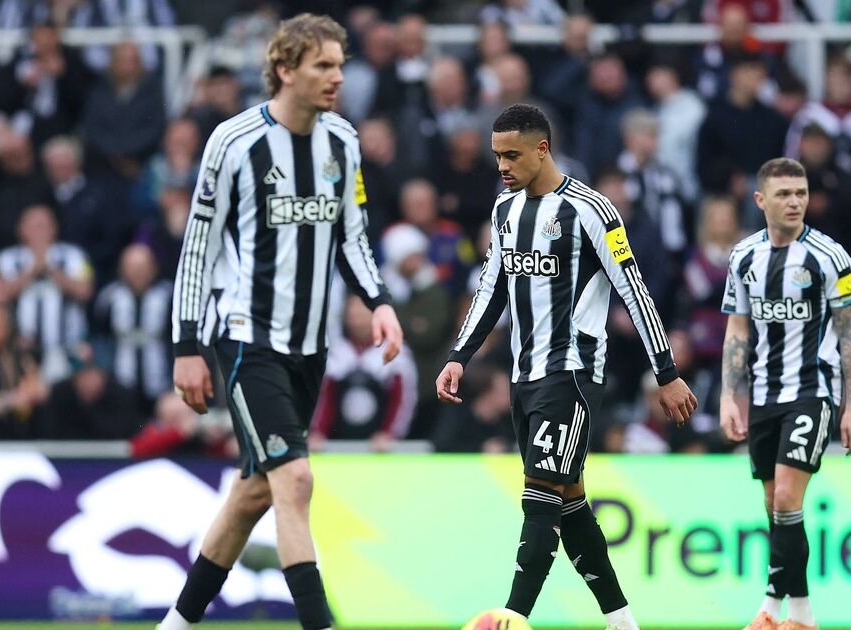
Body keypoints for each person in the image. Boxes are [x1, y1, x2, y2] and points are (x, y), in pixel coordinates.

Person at [161, 14, 403, 630]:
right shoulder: (234, 142)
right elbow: (197, 249)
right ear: (285, 69)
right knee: (293, 480)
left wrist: (379, 301)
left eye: (340, 65)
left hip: (310, 344)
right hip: (247, 337)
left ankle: (174, 625)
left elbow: (352, 235)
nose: (337, 77)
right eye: (323, 65)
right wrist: (187, 345)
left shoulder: (342, 141)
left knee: (254, 492)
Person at [435, 104, 698, 630]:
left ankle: (511, 618)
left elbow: (634, 291)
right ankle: (623, 623)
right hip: (523, 376)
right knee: (569, 501)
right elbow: (492, 289)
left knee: (539, 495)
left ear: (543, 149)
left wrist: (666, 373)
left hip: (572, 372)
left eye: (512, 155)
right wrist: (459, 356)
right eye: (497, 156)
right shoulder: (505, 209)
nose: (502, 166)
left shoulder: (593, 210)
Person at [719, 158, 851, 630]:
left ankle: (770, 607)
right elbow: (737, 331)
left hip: (812, 389)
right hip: (764, 394)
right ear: (760, 200)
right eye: (784, 194)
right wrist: (728, 396)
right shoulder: (744, 256)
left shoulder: (830, 257)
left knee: (786, 496)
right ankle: (802, 615)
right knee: (776, 506)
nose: (795, 201)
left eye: (800, 192)